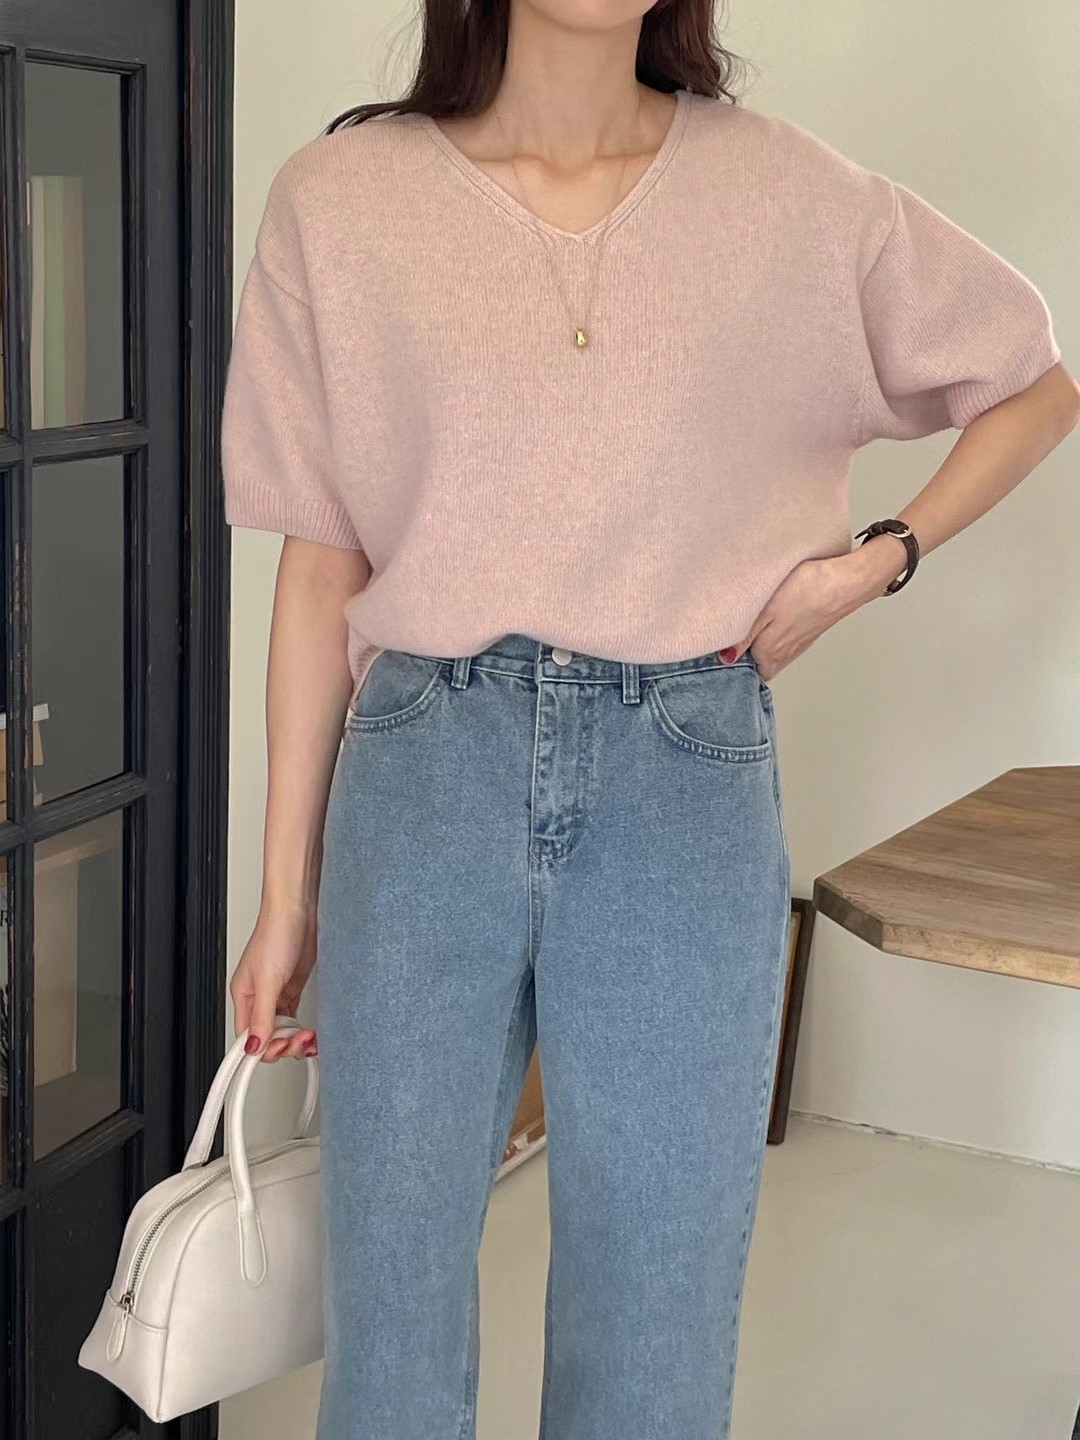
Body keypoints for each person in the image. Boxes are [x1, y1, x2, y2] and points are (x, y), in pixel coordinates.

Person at [220, 2, 1078, 1436]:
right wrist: (283, 897)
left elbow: (1032, 385)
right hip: (425, 765)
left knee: (657, 1309)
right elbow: (319, 566)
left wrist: (877, 560)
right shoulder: (342, 199)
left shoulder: (788, 192)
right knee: (390, 1306)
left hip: (683, 769)